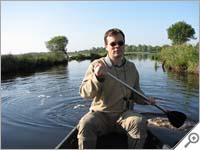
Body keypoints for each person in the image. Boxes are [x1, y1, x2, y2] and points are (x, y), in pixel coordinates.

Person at [77, 28, 155, 149]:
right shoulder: (96, 65)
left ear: (124, 45)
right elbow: (84, 93)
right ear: (106, 46)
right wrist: (97, 77)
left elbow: (136, 92)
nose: (117, 46)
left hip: (124, 115)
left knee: (139, 122)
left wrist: (145, 100)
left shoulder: (131, 67)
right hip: (100, 115)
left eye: (120, 43)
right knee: (85, 123)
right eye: (112, 44)